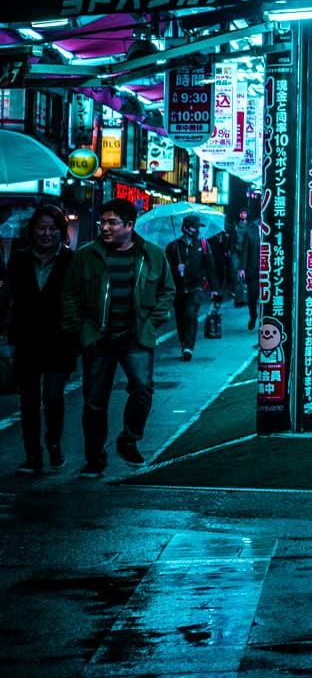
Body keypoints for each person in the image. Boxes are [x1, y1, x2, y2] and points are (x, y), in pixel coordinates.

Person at [61, 199, 175, 476]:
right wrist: (79, 329)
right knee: (94, 401)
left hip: (136, 337)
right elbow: (70, 294)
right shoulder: (87, 255)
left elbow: (167, 291)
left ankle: (129, 438)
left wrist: (151, 321)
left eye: (112, 222)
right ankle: (94, 457)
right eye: (103, 222)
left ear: (129, 225)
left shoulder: (152, 255)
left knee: (142, 389)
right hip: (98, 339)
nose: (106, 227)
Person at [7, 205, 77, 475]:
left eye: (52, 228)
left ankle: (54, 443)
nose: (47, 234)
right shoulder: (20, 259)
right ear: (33, 231)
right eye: (41, 228)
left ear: (61, 231)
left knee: (53, 396)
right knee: (28, 400)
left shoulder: (70, 261)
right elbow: (11, 298)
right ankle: (32, 455)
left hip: (60, 339)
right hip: (26, 338)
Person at [165, 215, 210, 359]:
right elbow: (164, 269)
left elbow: (211, 267)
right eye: (194, 227)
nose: (197, 230)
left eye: (198, 227)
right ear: (185, 228)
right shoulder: (173, 247)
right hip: (178, 289)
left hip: (196, 287)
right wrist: (176, 268)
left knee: (191, 314)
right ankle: (184, 344)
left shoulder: (203, 245)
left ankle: (189, 347)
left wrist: (215, 289)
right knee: (180, 318)